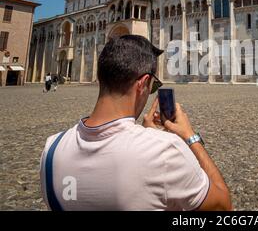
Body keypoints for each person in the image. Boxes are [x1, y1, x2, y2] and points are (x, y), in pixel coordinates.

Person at [40, 35, 232, 211]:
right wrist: (190, 137)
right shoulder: (165, 150)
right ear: (142, 84)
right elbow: (223, 207)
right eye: (153, 85)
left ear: (101, 77)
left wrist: (145, 135)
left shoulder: (51, 149)